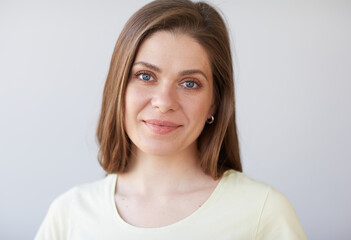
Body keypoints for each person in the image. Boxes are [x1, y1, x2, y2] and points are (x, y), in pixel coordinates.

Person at [35, 0, 307, 239]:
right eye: (145, 76)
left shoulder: (263, 213)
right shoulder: (69, 215)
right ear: (118, 88)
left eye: (189, 83)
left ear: (214, 101)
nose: (163, 102)